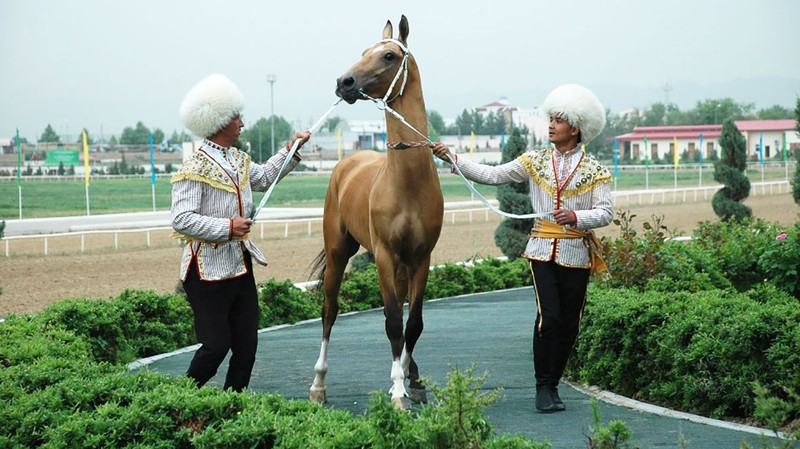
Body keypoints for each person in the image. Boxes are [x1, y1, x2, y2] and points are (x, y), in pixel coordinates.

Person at [432, 84, 613, 413]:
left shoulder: (596, 172)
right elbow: (492, 174)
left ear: (575, 128)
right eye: (551, 118)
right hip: (541, 249)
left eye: (559, 120)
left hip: (577, 254)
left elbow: (605, 213)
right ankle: (543, 387)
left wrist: (577, 216)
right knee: (550, 317)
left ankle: (554, 383)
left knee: (570, 323)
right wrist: (453, 159)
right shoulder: (534, 161)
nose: (551, 125)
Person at [171, 74, 310, 392]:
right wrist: (227, 228)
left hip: (240, 267)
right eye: (237, 117)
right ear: (220, 121)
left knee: (247, 348)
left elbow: (263, 178)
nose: (243, 124)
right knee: (215, 347)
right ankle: (179, 402)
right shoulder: (193, 168)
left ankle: (233, 407)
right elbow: (181, 219)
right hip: (205, 274)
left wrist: (291, 150)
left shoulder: (239, 160)